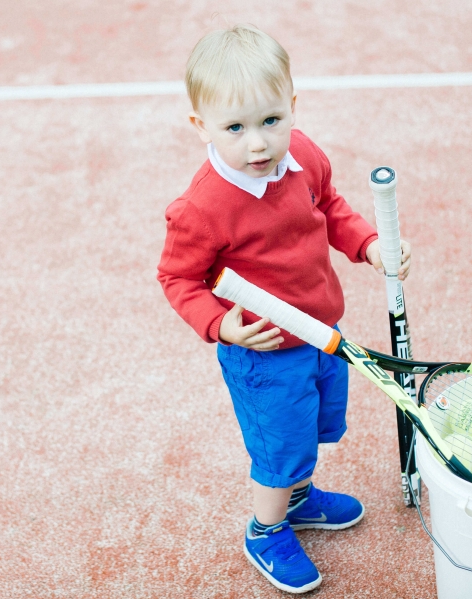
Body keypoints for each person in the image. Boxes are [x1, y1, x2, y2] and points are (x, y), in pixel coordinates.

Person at [156, 24, 411, 594]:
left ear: (292, 107)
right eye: (235, 128)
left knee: (314, 426)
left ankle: (297, 499)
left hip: (322, 331)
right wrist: (221, 324)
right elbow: (177, 277)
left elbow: (333, 208)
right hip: (264, 355)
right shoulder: (201, 208)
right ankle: (265, 529)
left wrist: (369, 243)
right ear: (201, 127)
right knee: (280, 447)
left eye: (271, 120)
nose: (257, 144)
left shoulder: (304, 156)